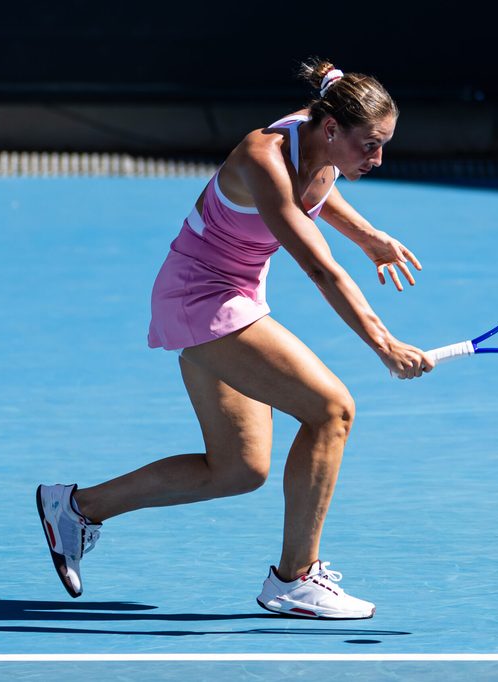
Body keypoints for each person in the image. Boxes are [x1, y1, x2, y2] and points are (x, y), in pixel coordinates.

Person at [36, 58, 432, 620]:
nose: (378, 158)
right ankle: (295, 579)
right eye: (370, 145)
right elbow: (320, 269)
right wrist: (384, 345)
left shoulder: (321, 139)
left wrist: (369, 237)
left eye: (383, 144)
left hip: (229, 294)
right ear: (330, 129)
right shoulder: (263, 157)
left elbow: (319, 188)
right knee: (332, 410)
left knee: (239, 469)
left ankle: (75, 509)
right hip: (203, 299)